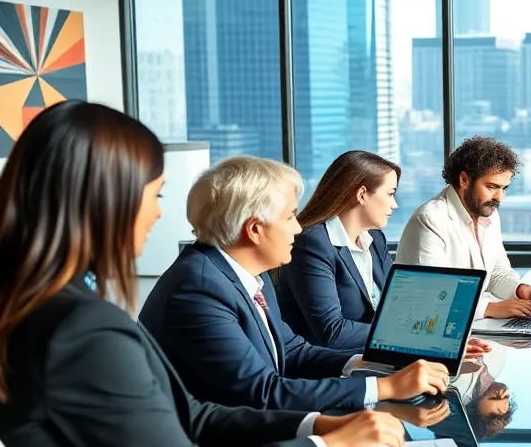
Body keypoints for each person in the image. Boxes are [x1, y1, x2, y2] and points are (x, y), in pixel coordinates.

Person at [0, 102, 406, 447]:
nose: (158, 212)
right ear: (109, 202)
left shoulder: (41, 308)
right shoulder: (82, 327)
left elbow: (190, 415)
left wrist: (318, 426)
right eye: (154, 195)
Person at [140, 156, 456, 412]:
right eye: (290, 216)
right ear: (255, 230)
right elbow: (262, 392)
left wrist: (367, 362)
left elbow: (291, 351)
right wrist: (385, 387)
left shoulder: (247, 274)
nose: (297, 228)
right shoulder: (199, 290)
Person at [395, 136, 531, 320]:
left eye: (504, 188)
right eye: (492, 187)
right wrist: (491, 309)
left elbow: (496, 271)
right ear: (464, 180)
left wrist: (521, 290)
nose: (499, 198)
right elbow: (433, 294)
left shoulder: (489, 214)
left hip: (472, 322)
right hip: (429, 326)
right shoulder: (430, 220)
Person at [276, 150, 398, 353]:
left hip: (372, 355)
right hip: (327, 367)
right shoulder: (311, 243)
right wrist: (400, 336)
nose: (395, 205)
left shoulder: (375, 238)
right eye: (390, 194)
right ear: (361, 194)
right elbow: (331, 331)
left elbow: (394, 304)